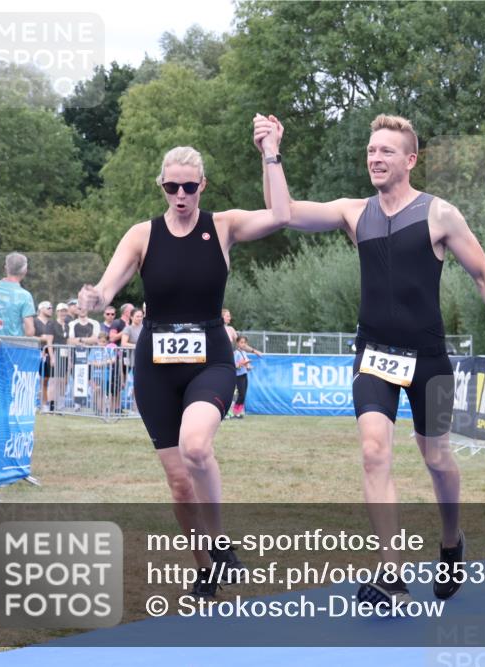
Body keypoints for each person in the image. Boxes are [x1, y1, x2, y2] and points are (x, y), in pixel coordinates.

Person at [259, 113, 485, 607]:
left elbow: (484, 275)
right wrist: (271, 152)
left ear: (410, 159)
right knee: (374, 450)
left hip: (429, 360)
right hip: (373, 354)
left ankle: (451, 543)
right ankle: (391, 572)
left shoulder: (440, 214)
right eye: (370, 150)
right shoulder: (352, 212)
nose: (375, 158)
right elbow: (283, 213)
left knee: (438, 457)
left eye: (385, 151)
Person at [78, 115, 290, 597]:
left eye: (189, 187)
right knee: (179, 484)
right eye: (171, 186)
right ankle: (206, 567)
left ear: (202, 186)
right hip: (155, 366)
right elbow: (108, 288)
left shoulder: (224, 226)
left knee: (196, 447)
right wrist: (93, 298)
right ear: (161, 186)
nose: (180, 195)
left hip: (210, 357)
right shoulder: (141, 234)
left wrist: (270, 153)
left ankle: (219, 545)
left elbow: (280, 215)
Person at [0, 252, 36, 337]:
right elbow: (30, 332)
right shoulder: (25, 296)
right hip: (13, 347)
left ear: (6, 268)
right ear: (25, 271)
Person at [231, 335, 253, 419]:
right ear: (237, 343)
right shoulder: (236, 353)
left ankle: (238, 413)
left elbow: (246, 363)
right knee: (241, 395)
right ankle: (235, 412)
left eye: (245, 342)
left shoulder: (244, 353)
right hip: (238, 376)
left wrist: (248, 367)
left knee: (243, 395)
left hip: (244, 375)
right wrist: (241, 364)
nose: (243, 344)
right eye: (241, 342)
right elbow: (234, 365)